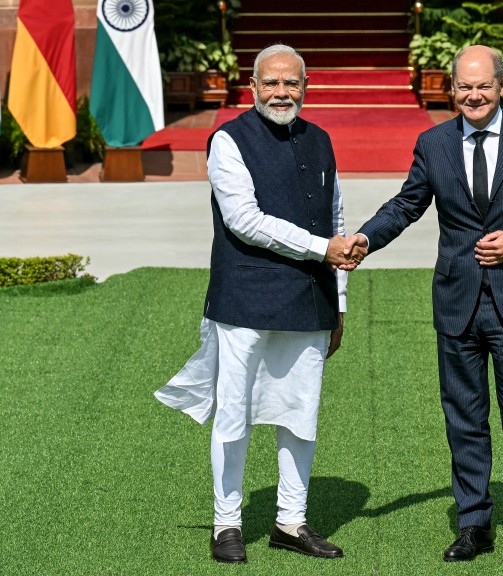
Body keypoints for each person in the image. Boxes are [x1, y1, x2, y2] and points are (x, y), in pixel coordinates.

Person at [346, 44, 503, 563]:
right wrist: (365, 239)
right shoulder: (433, 143)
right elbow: (408, 204)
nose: (474, 96)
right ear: (451, 89)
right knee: (463, 419)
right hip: (457, 304)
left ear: (501, 86)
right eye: (464, 87)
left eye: (483, 86)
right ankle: (473, 524)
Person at [154, 43, 360, 564]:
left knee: (300, 412)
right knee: (234, 414)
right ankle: (226, 524)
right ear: (254, 87)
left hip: (309, 298)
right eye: (271, 83)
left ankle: (291, 522)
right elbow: (243, 220)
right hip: (244, 297)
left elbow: (335, 216)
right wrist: (321, 249)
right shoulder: (228, 139)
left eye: (292, 83)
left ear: (306, 87)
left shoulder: (321, 140)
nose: (281, 92)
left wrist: (339, 304)